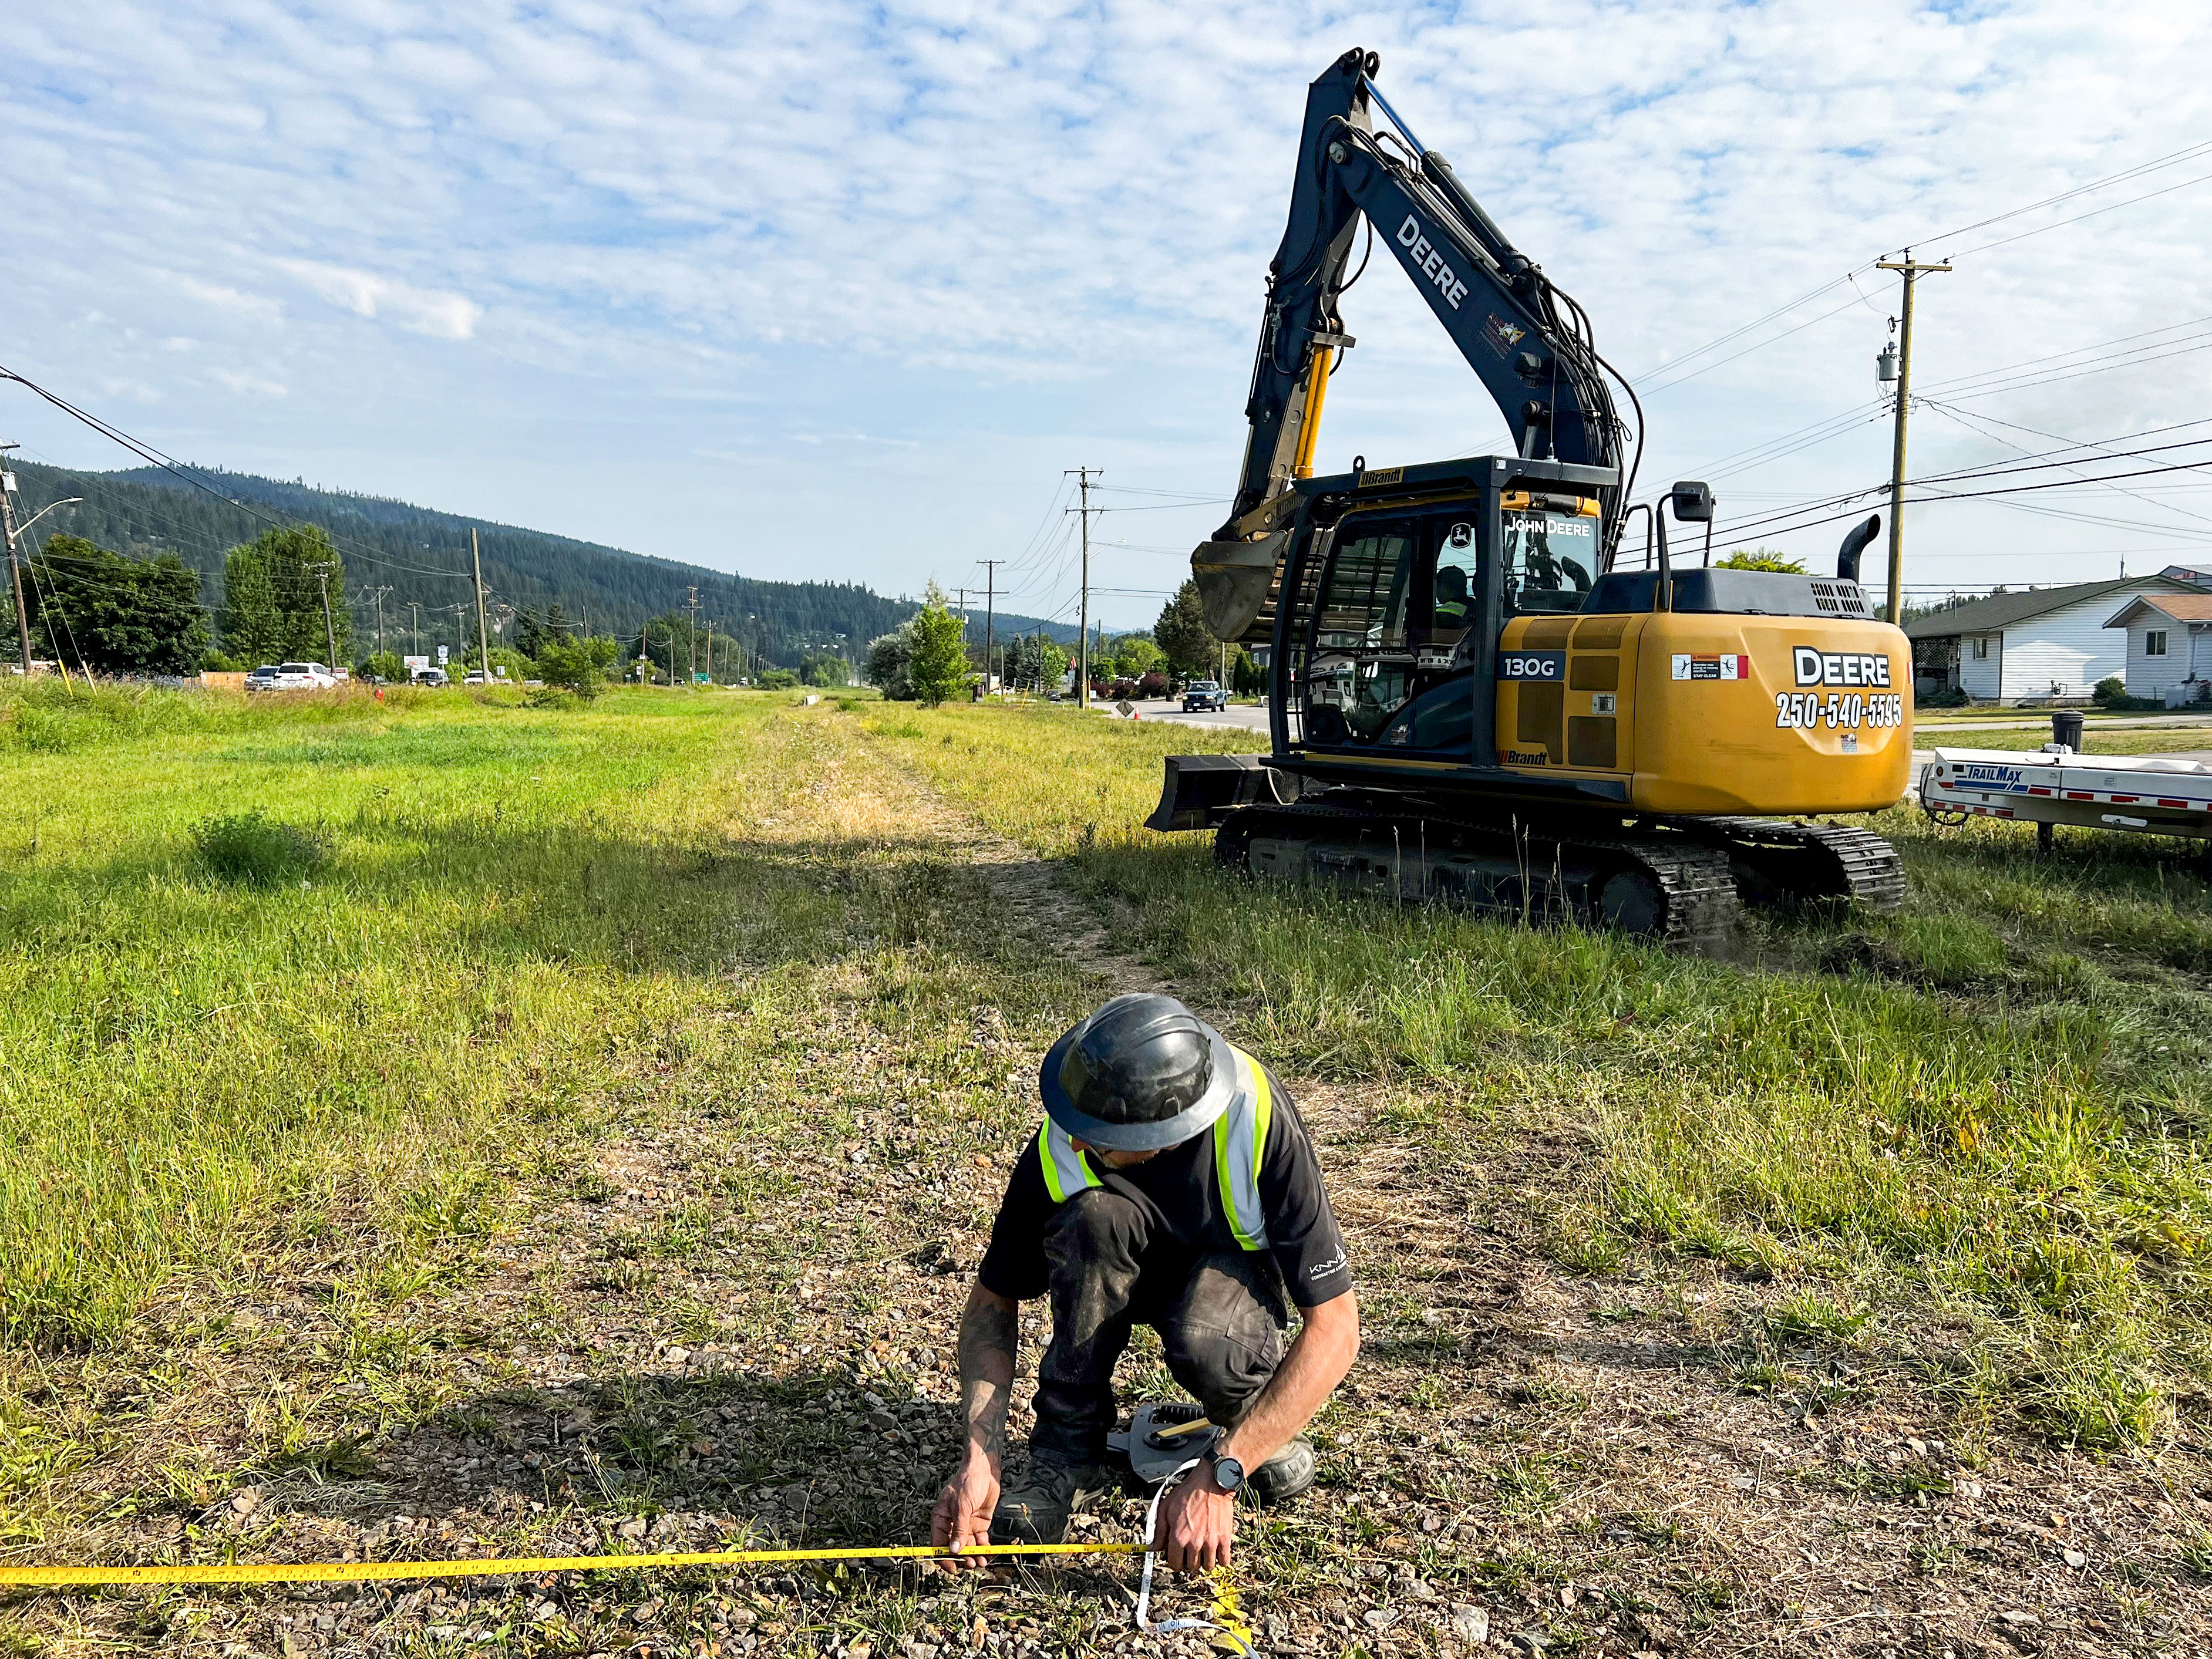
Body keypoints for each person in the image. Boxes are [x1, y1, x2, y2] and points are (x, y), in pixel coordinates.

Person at [930, 994, 1360, 1575]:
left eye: (1098, 1134)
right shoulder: (1067, 1134)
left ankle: (1253, 1424)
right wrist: (980, 1455)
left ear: (1163, 1128)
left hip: (1226, 1286)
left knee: (1211, 1341)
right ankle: (1066, 1452)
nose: (1076, 1142)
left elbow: (1335, 1328)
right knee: (1091, 1220)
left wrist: (1222, 1474)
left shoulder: (1256, 1119)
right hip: (1118, 1262)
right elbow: (991, 1302)